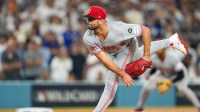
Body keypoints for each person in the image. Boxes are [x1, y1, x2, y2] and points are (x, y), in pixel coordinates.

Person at [82, 6, 188, 112]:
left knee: (111, 79)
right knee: (139, 54)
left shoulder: (119, 28)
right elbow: (105, 60)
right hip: (116, 52)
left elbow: (145, 30)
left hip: (127, 47)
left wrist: (147, 57)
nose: (88, 21)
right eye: (87, 18)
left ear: (100, 21)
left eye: (91, 19)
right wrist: (123, 74)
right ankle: (171, 41)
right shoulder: (88, 38)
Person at [134, 48, 200, 112]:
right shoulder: (154, 58)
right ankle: (140, 107)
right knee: (146, 87)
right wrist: (150, 74)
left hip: (180, 74)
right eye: (158, 49)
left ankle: (198, 106)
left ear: (164, 50)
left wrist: (171, 81)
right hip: (165, 75)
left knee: (183, 88)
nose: (159, 50)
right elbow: (156, 68)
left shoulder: (172, 58)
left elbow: (181, 74)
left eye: (161, 49)